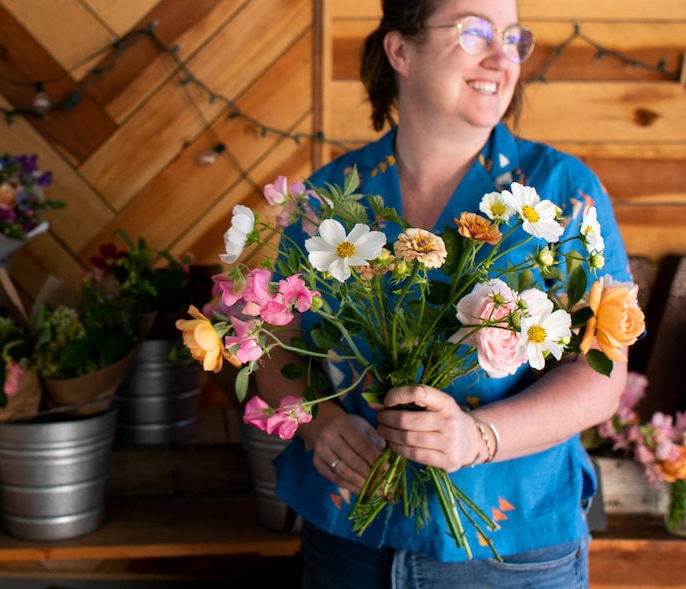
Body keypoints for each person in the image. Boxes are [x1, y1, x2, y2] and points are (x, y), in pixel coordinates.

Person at [254, 1, 633, 587]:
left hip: (512, 550)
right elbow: (278, 336)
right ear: (401, 50)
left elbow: (601, 372)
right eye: (475, 31)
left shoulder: (563, 192)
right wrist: (318, 422)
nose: (500, 57)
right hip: (347, 536)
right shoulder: (330, 195)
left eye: (513, 38)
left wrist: (481, 437)